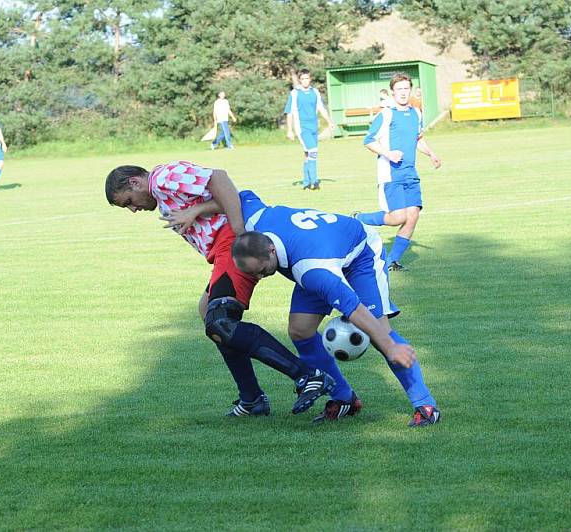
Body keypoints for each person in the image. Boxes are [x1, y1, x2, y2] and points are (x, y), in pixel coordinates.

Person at [104, 162, 334, 417]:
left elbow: (220, 179)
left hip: (229, 243)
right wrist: (198, 210)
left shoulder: (162, 178)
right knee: (208, 314)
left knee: (220, 321)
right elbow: (216, 197)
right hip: (222, 251)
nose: (133, 209)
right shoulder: (161, 191)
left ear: (135, 182)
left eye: (128, 201)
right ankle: (252, 399)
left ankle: (306, 376)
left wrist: (239, 234)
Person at [229, 190, 441, 427]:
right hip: (321, 252)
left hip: (360, 254)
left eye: (261, 270)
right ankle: (343, 398)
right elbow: (238, 193)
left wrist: (391, 347)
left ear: (270, 250)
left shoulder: (313, 271)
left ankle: (425, 404)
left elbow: (354, 308)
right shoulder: (256, 219)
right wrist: (196, 210)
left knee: (378, 330)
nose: (259, 277)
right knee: (300, 330)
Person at [354, 73, 441, 272]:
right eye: (399, 89)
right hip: (390, 173)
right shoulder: (386, 114)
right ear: (393, 91)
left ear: (410, 90)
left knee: (413, 215)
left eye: (406, 89)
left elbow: (418, 139)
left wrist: (431, 154)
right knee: (398, 217)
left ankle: (392, 260)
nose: (403, 93)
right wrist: (388, 153)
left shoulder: (416, 113)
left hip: (410, 173)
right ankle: (359, 219)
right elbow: (368, 141)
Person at [284, 69, 335, 191]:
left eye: (307, 78)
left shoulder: (315, 92)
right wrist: (289, 130)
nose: (305, 81)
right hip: (302, 128)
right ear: (300, 80)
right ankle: (315, 182)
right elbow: (289, 112)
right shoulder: (295, 93)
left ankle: (306, 183)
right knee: (313, 151)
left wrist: (329, 121)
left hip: (313, 128)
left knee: (308, 155)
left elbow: (321, 108)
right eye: (303, 79)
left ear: (310, 79)